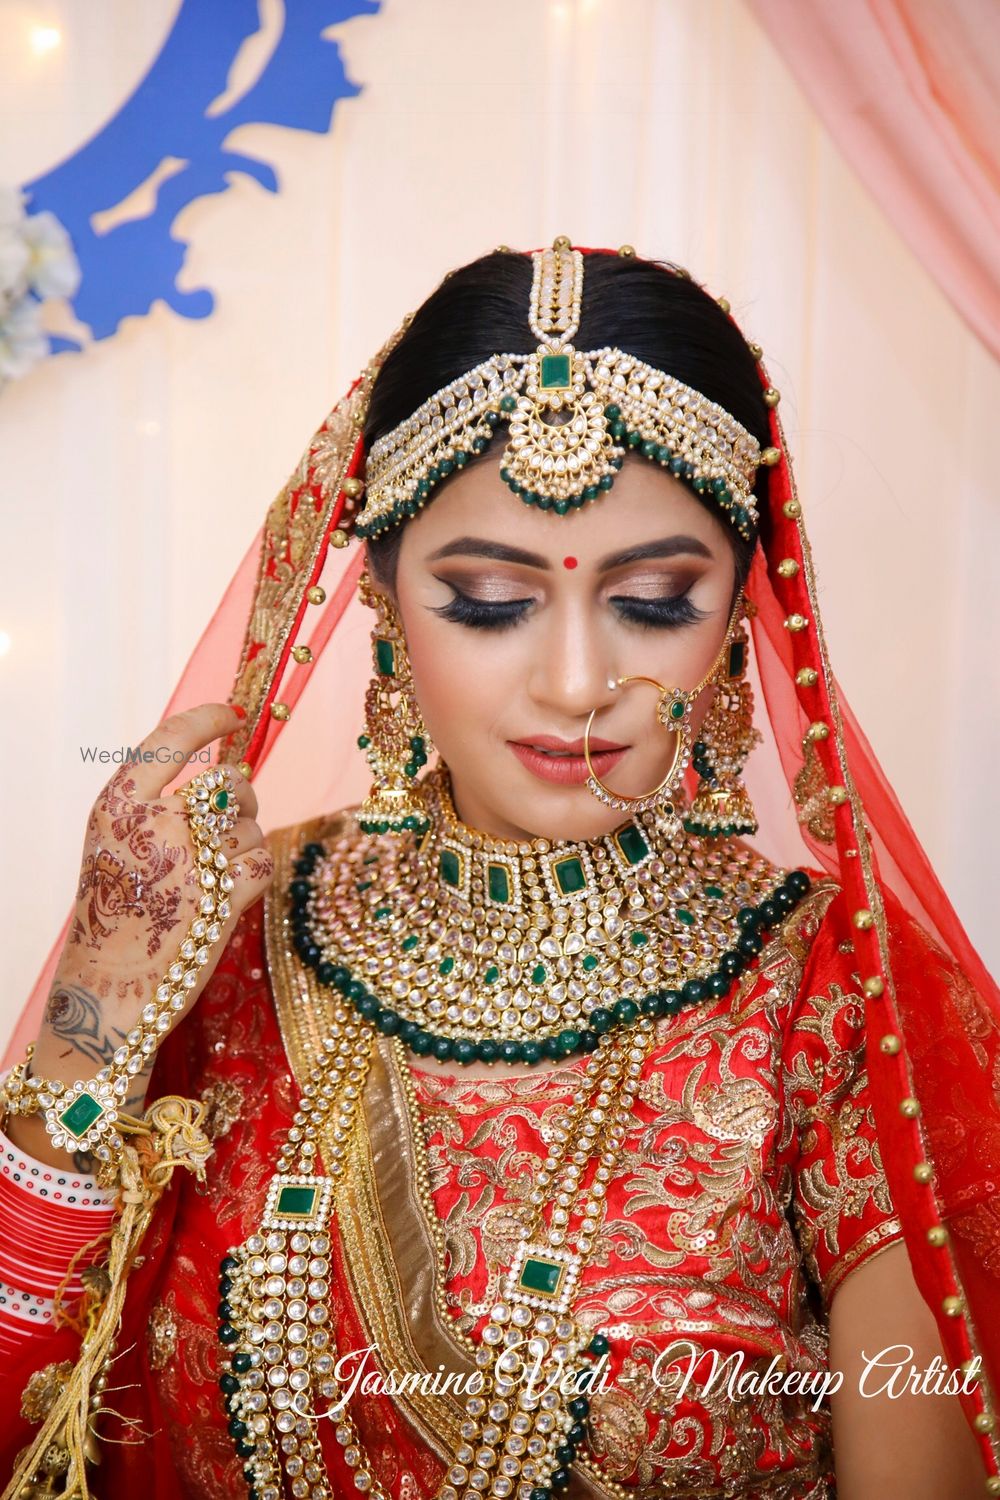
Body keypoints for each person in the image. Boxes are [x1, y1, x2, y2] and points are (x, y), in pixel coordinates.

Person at [1, 241, 998, 1500]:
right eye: (485, 600)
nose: (576, 685)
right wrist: (88, 1030)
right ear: (380, 595)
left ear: (744, 604)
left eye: (653, 601)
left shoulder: (844, 1008)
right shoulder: (236, 936)